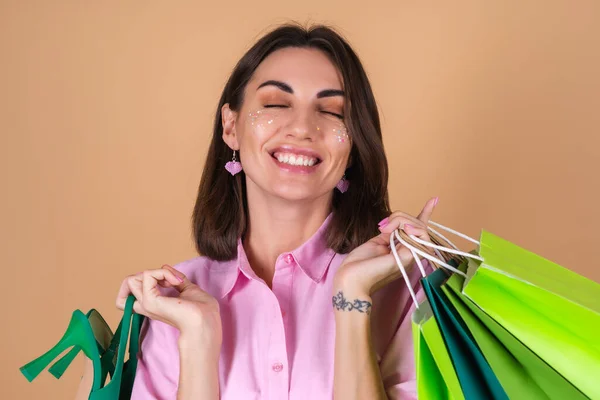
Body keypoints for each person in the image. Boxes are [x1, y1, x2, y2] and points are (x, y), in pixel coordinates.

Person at [77, 23, 438, 400]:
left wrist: (353, 299)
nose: (302, 127)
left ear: (353, 146)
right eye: (276, 104)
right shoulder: (170, 303)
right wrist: (198, 341)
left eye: (332, 111)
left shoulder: (408, 288)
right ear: (230, 127)